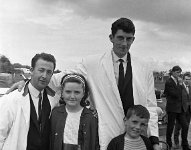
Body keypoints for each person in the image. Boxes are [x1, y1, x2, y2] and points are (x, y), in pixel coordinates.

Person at [7, 18, 160, 150]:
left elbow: (151, 106)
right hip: (109, 134)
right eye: (120, 38)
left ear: (133, 39)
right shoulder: (92, 63)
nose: (124, 43)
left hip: (138, 135)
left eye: (129, 39)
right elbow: (62, 77)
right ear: (111, 37)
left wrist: (155, 140)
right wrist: (29, 81)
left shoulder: (144, 68)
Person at [0, 53, 59, 150]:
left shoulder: (54, 100)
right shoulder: (10, 100)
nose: (44, 75)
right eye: (41, 70)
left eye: (49, 72)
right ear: (31, 71)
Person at [50, 73, 100, 150]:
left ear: (83, 93)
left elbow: (95, 143)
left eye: (77, 92)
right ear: (62, 92)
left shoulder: (91, 116)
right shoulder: (55, 113)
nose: (72, 96)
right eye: (68, 92)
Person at [164, 66, 190, 150]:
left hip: (179, 109)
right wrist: (180, 84)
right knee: (170, 128)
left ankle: (185, 145)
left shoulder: (178, 81)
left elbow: (183, 92)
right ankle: (169, 145)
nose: (179, 74)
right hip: (172, 108)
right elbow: (175, 94)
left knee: (185, 126)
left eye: (180, 73)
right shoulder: (169, 82)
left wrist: (181, 84)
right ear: (173, 72)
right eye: (178, 72)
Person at [173, 75, 191, 148]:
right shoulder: (180, 87)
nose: (187, 80)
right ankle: (176, 143)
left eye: (189, 79)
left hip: (189, 111)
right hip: (181, 111)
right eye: (186, 79)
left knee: (186, 127)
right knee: (178, 127)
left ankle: (184, 143)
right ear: (183, 79)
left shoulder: (190, 88)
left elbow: (190, 99)